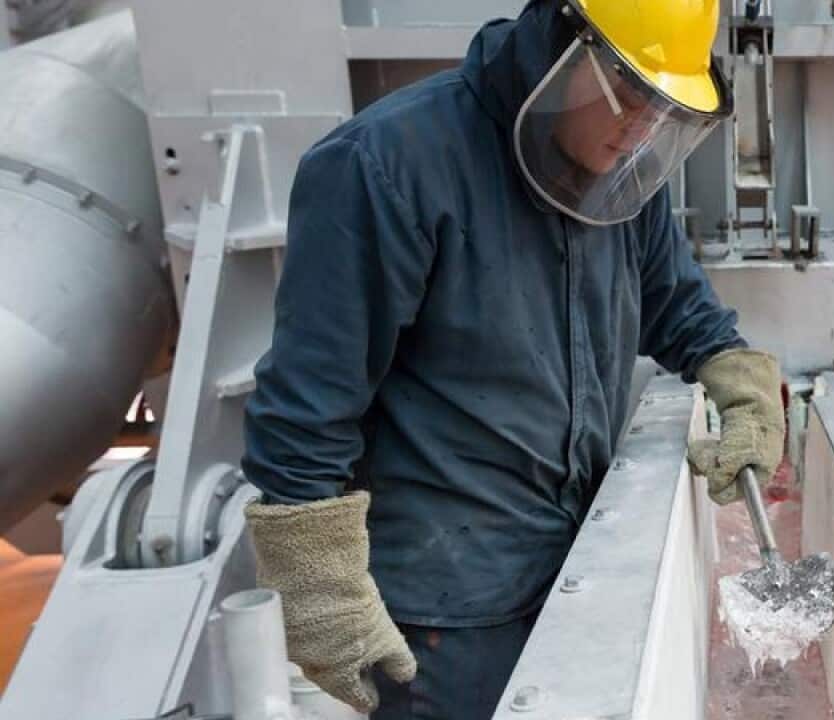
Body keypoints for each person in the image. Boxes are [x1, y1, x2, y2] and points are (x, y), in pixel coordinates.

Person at [238, 1, 784, 717]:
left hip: (578, 567)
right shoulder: (386, 165)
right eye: (630, 97)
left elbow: (672, 301)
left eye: (662, 111)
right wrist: (321, 589)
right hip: (444, 618)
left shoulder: (621, 172)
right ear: (563, 48)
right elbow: (308, 404)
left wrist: (738, 377)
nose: (640, 130)